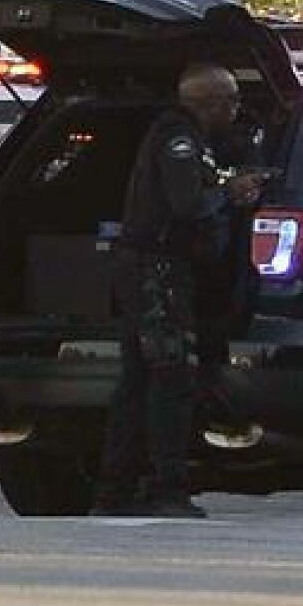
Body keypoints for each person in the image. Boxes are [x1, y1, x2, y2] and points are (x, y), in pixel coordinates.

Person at [93, 64, 267, 519]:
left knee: (137, 381)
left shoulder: (193, 142)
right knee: (170, 379)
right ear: (207, 103)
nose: (236, 109)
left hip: (151, 270)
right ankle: (165, 488)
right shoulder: (178, 139)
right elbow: (187, 205)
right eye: (229, 101)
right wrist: (230, 193)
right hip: (157, 271)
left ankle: (116, 490)